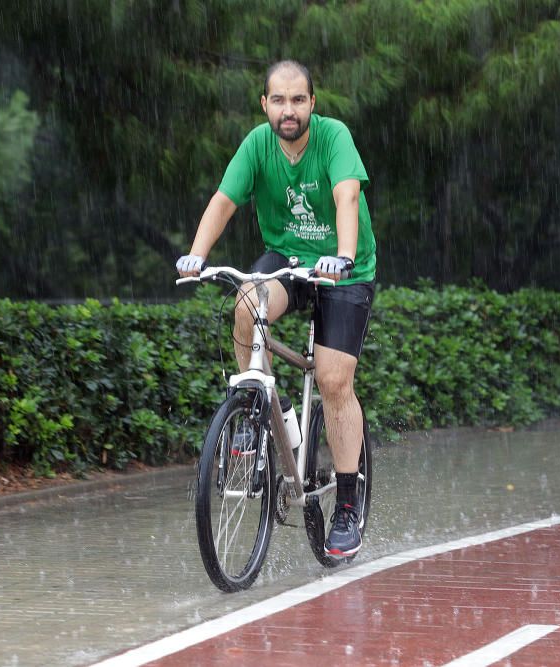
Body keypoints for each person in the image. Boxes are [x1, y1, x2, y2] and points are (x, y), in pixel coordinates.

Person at [176, 60, 377, 557]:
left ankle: (347, 504)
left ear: (313, 104)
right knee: (247, 299)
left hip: (345, 267)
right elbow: (224, 202)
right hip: (287, 259)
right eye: (279, 101)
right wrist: (197, 255)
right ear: (265, 105)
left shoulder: (333, 138)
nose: (289, 110)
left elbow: (346, 196)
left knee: (333, 381)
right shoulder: (256, 145)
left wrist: (344, 256)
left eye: (299, 100)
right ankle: (262, 406)